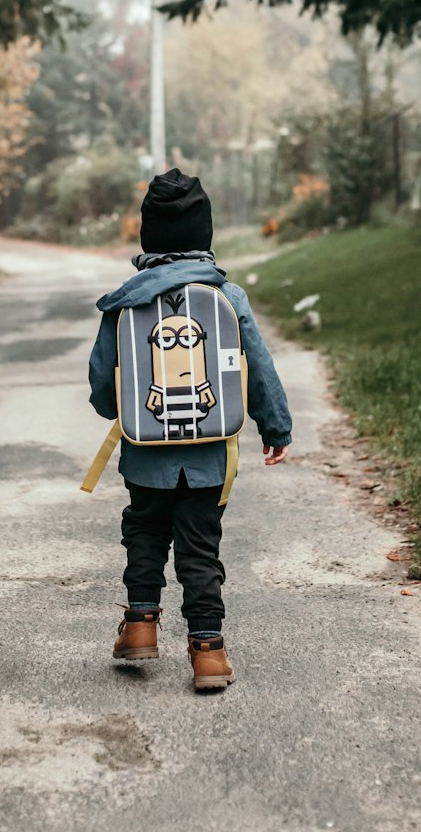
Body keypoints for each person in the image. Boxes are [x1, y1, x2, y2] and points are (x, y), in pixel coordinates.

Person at [87, 168, 293, 690]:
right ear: (205, 235)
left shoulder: (126, 301)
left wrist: (117, 409)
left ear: (147, 234)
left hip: (144, 450)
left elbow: (102, 376)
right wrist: (275, 426)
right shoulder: (228, 297)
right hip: (209, 456)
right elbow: (259, 366)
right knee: (201, 548)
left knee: (145, 533)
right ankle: (208, 654)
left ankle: (138, 627)